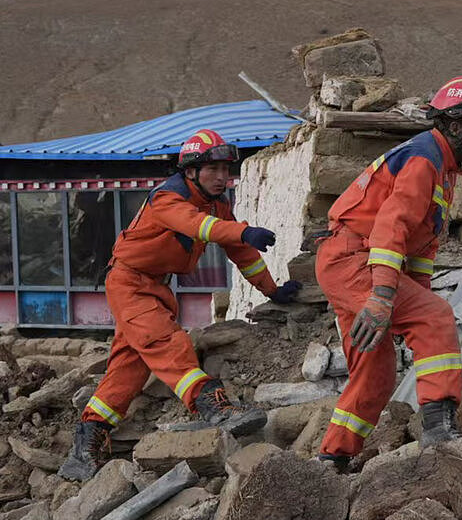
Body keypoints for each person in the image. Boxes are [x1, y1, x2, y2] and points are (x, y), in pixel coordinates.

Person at [58, 129, 302, 481]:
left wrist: (272, 290)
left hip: (154, 286)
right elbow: (199, 226)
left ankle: (86, 445)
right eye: (213, 169)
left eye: (225, 169)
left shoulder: (216, 206)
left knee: (129, 367)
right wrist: (242, 230)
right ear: (190, 171)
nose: (222, 177)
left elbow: (242, 253)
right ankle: (213, 407)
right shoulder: (168, 199)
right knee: (167, 343)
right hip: (129, 283)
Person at [315, 76, 462, 471]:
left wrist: (409, 298)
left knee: (377, 375)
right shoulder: (425, 159)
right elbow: (391, 228)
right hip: (355, 260)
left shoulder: (444, 167)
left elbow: (420, 246)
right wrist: (385, 297)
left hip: (353, 261)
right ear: (456, 126)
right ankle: (439, 433)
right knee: (435, 315)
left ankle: (331, 458)